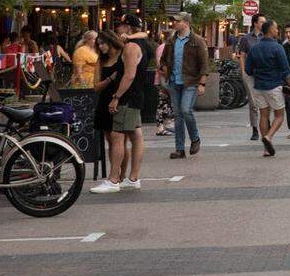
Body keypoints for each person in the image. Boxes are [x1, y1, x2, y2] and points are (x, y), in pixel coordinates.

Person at [89, 20, 146, 194]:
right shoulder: (128, 49)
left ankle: (115, 179)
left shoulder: (129, 48)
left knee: (118, 136)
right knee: (133, 135)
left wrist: (116, 97)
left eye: (120, 26)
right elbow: (96, 85)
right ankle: (131, 178)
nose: (118, 30)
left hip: (126, 99)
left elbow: (129, 76)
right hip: (125, 98)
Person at [157, 13, 209, 159]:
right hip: (174, 82)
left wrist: (202, 83)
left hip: (190, 82)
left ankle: (195, 138)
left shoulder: (197, 41)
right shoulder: (171, 41)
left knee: (186, 110)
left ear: (186, 23)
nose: (174, 23)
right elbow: (162, 60)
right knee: (178, 115)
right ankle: (179, 149)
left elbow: (204, 65)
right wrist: (165, 68)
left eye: (177, 21)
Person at [245, 20, 290, 156]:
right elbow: (285, 69)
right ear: (270, 30)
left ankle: (266, 149)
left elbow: (248, 70)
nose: (277, 30)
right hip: (274, 85)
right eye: (275, 28)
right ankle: (269, 137)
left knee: (263, 115)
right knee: (279, 115)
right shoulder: (278, 48)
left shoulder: (255, 48)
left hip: (259, 86)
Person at [237, 14, 265, 141]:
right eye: (262, 21)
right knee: (253, 103)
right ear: (255, 23)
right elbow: (242, 55)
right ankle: (255, 129)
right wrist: (243, 71)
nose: (264, 23)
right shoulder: (246, 39)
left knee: (265, 101)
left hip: (264, 74)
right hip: (250, 73)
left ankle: (265, 125)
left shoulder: (267, 37)